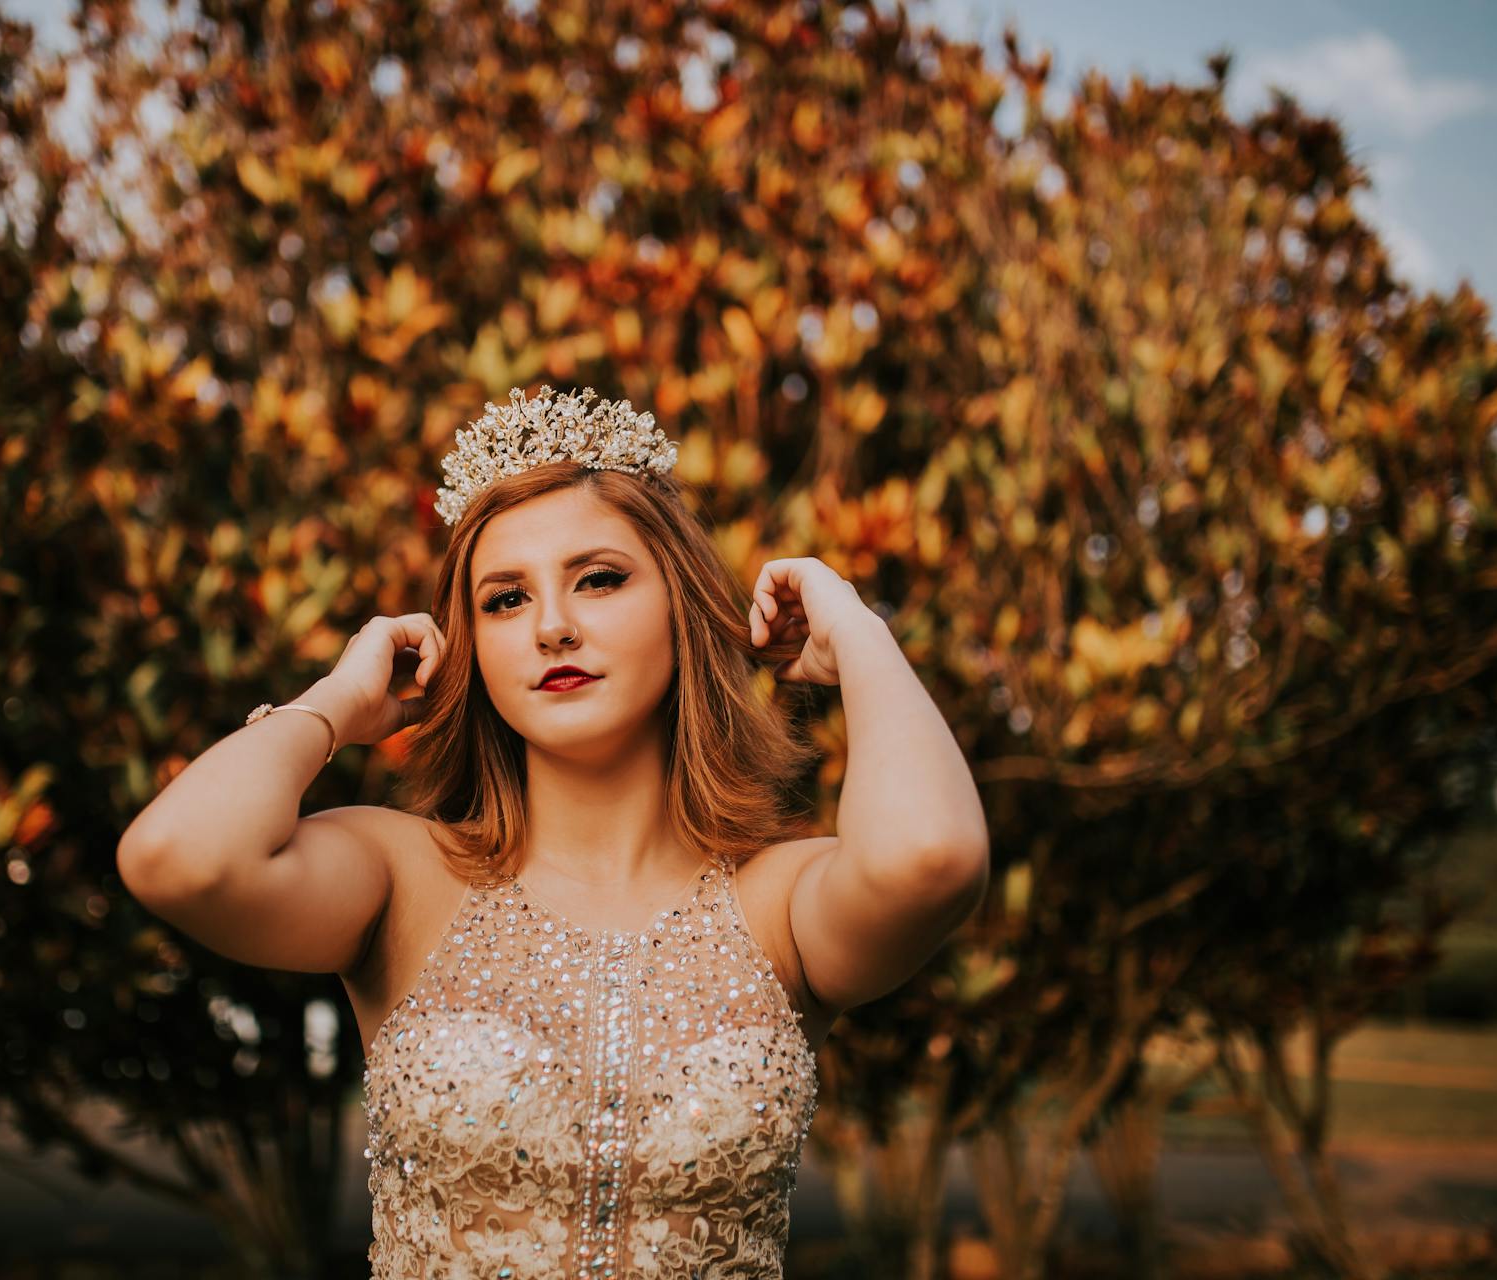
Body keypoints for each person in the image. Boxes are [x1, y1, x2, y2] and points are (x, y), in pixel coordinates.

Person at [117, 385, 990, 1277]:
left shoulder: (782, 906)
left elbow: (934, 856)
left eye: (599, 578)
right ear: (472, 646)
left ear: (681, 608)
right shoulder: (403, 879)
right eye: (503, 601)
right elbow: (177, 859)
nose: (553, 627)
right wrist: (335, 703)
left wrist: (856, 632)